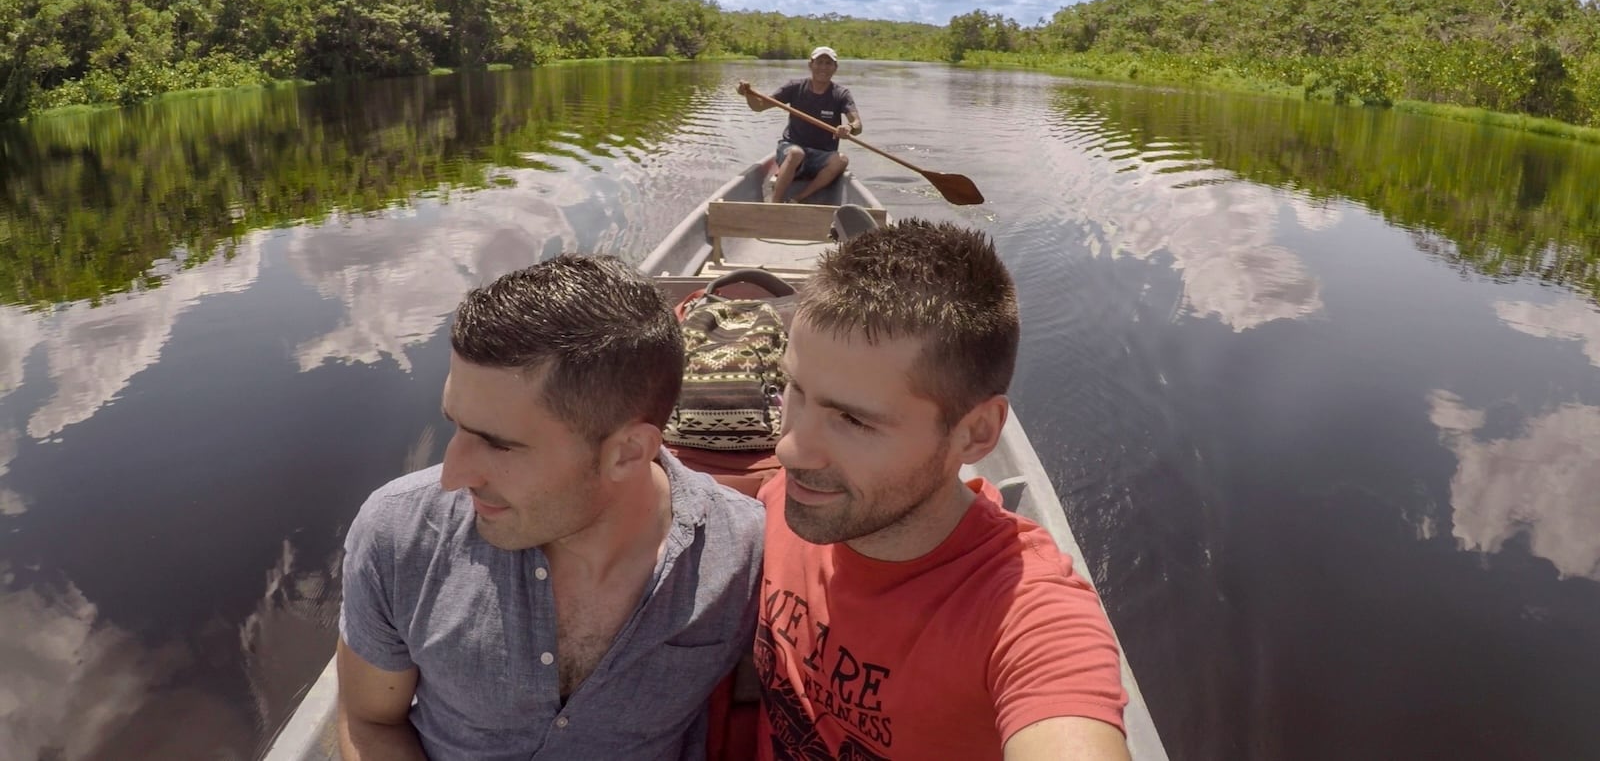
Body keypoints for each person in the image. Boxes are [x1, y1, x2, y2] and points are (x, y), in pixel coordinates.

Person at [335, 254, 765, 761]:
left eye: (499, 444)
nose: (452, 475)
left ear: (626, 452)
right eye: (456, 423)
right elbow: (369, 720)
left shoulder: (746, 555)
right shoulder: (399, 534)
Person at [754, 220, 1131, 760]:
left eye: (854, 421)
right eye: (793, 389)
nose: (788, 451)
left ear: (975, 433)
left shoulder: (1024, 616)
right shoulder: (787, 501)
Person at [737, 46, 862, 204]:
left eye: (828, 63)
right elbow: (759, 106)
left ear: (835, 68)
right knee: (796, 153)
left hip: (821, 156)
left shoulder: (841, 94)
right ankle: (775, 204)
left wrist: (849, 128)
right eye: (819, 62)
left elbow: (857, 124)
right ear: (811, 65)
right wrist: (748, 93)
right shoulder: (795, 87)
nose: (823, 67)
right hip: (790, 149)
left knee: (842, 160)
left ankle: (798, 198)